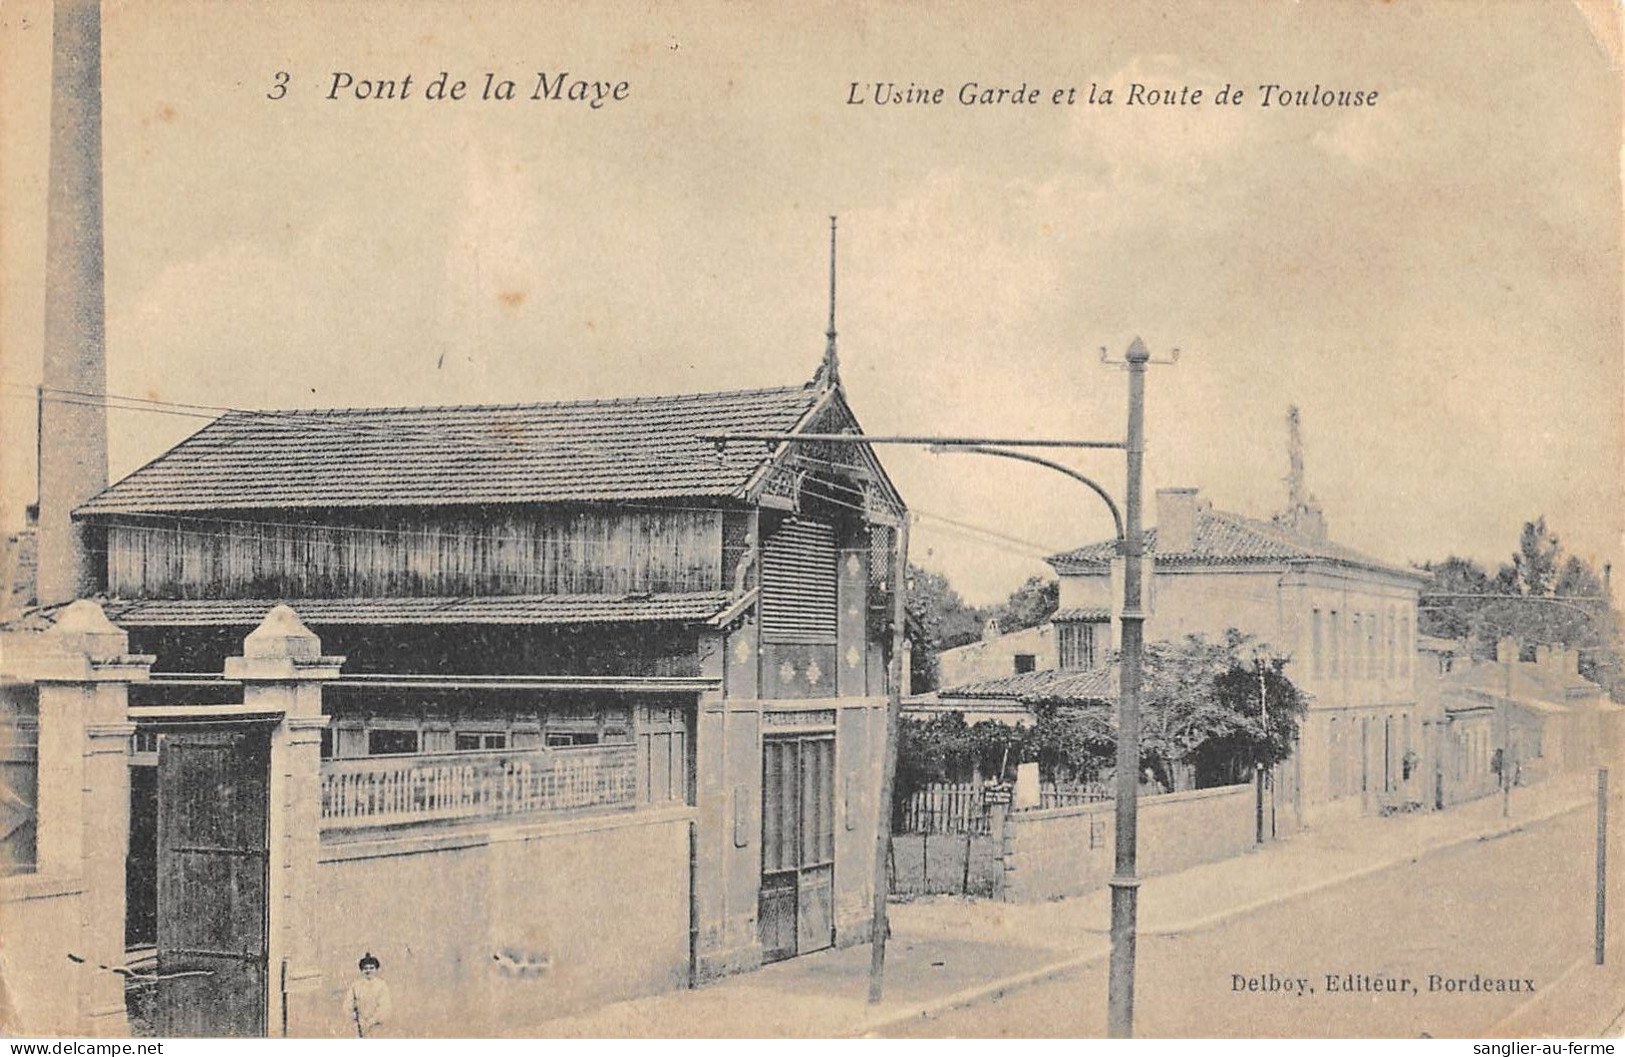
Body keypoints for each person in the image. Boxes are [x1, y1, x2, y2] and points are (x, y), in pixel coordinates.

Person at [346, 952, 392, 1038]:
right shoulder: (355, 986)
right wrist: (358, 1019)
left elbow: (385, 1007)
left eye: (371, 968)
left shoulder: (381, 985)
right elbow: (348, 1005)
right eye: (365, 968)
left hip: (377, 1028)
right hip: (359, 1027)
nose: (368, 971)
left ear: (376, 969)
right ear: (362, 970)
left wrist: (372, 1021)